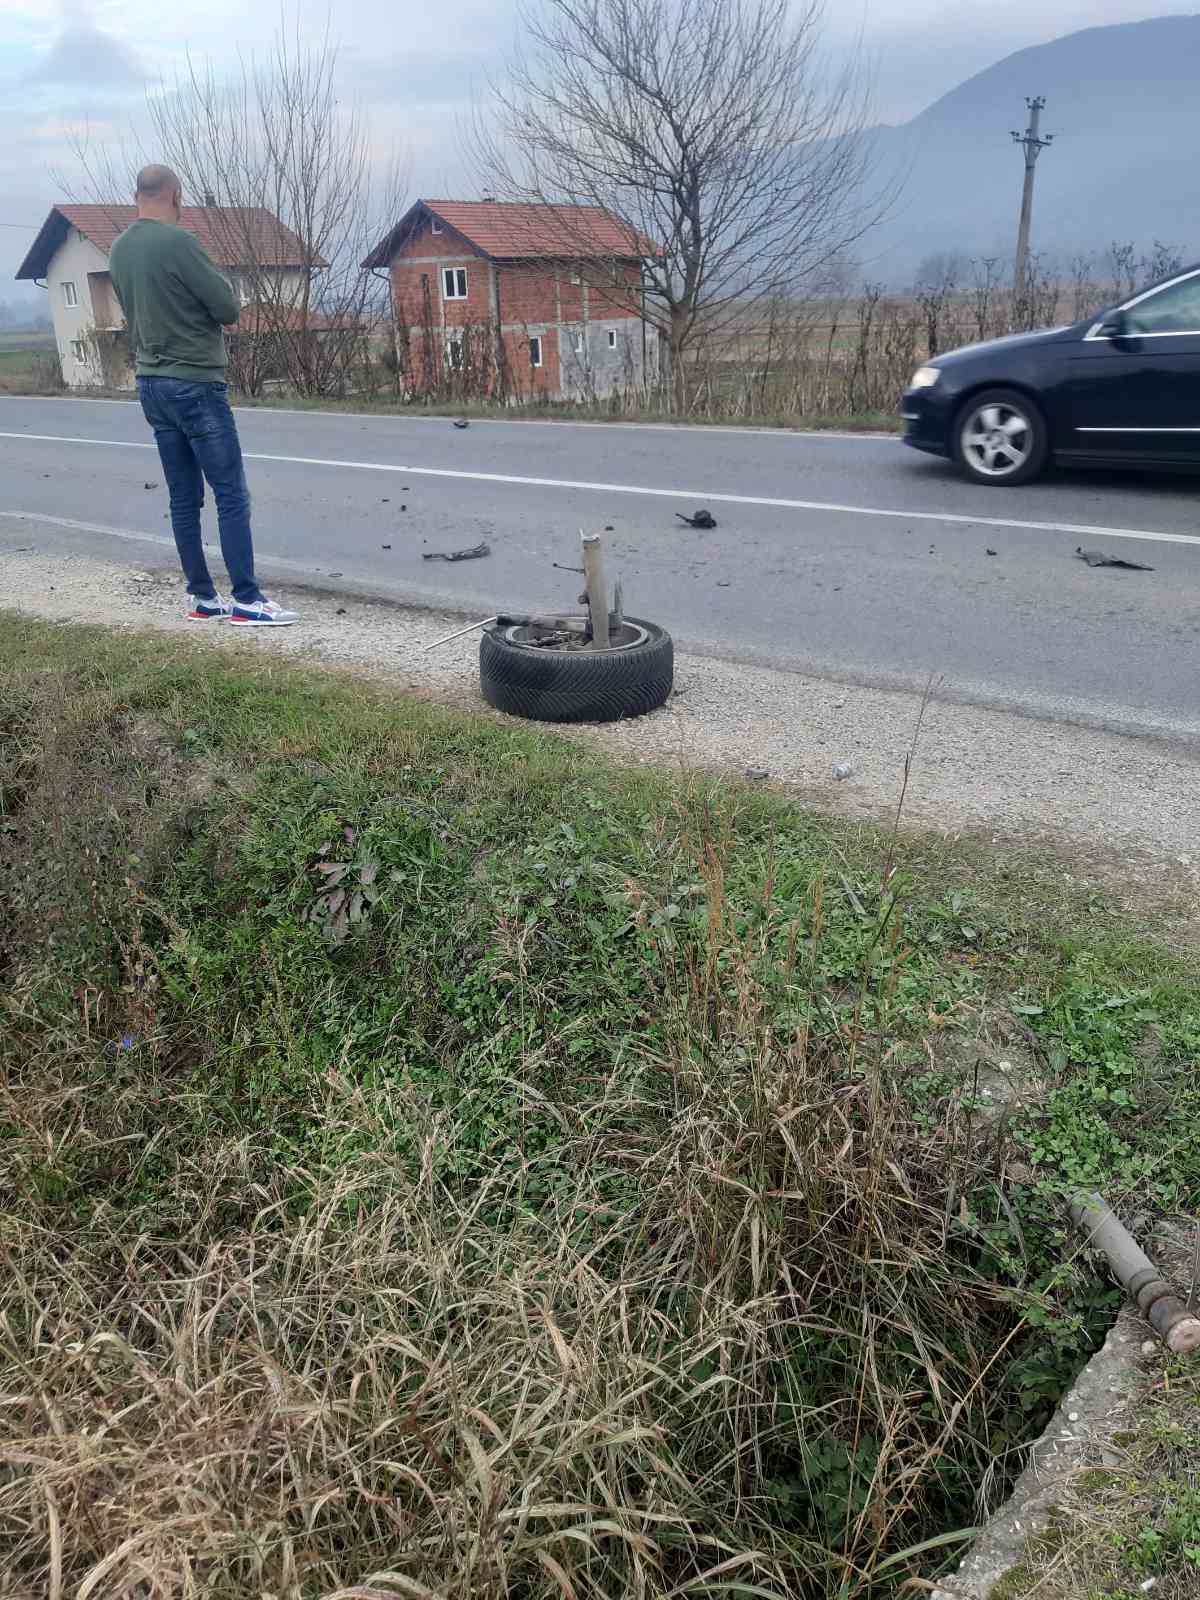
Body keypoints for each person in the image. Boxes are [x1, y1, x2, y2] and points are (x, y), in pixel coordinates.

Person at [108, 165, 297, 626]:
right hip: (194, 381)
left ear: (137, 196)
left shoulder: (118, 248)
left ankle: (202, 598)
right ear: (175, 194)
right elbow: (228, 308)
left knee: (182, 496)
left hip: (151, 383)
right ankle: (248, 599)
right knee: (230, 492)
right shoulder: (180, 243)